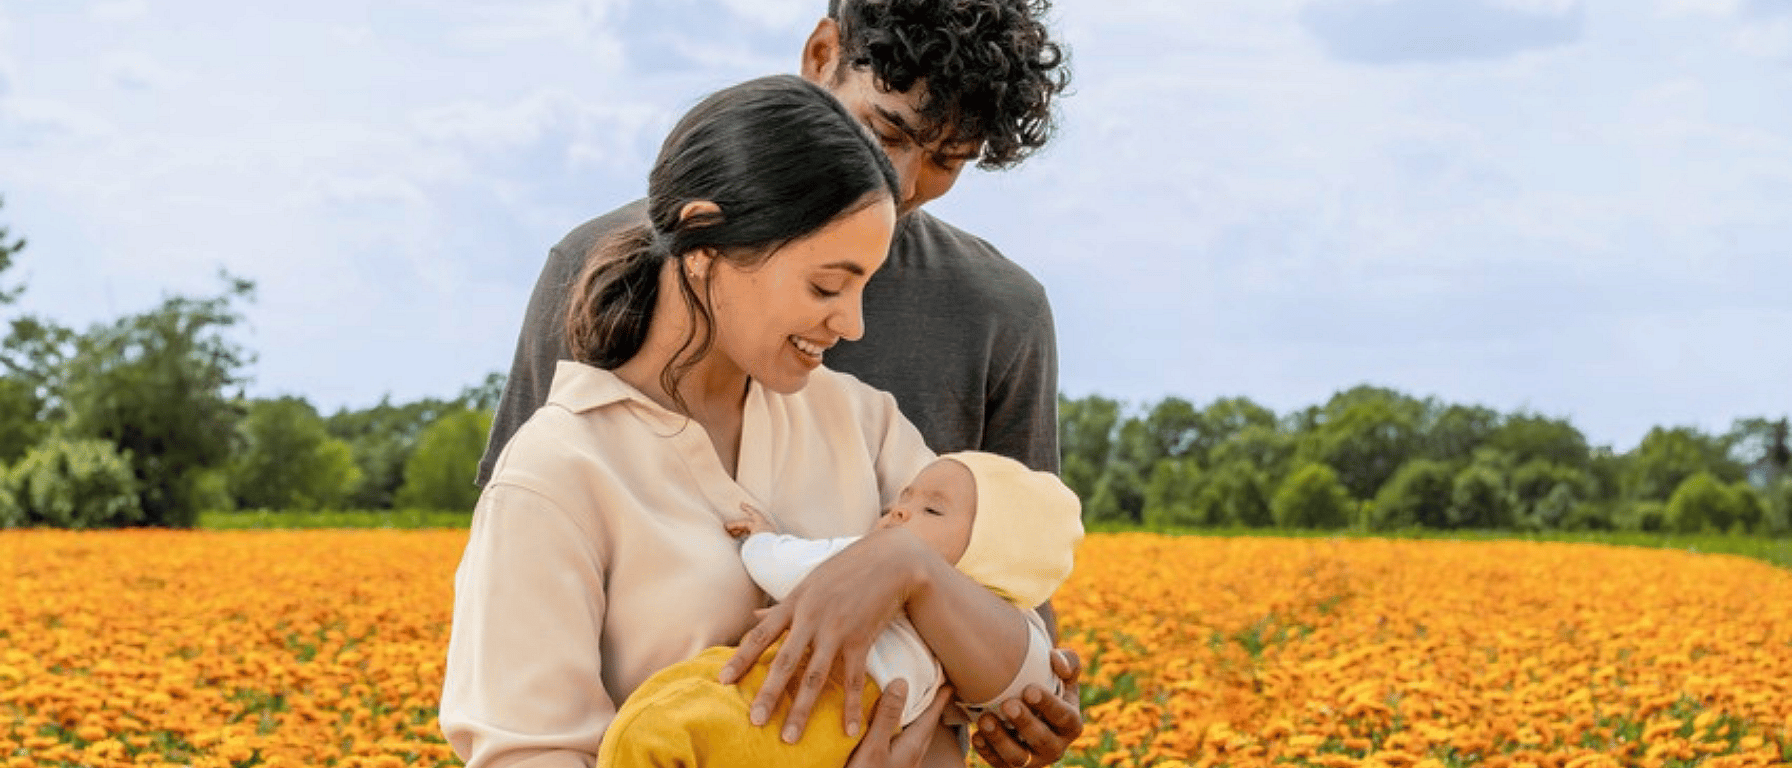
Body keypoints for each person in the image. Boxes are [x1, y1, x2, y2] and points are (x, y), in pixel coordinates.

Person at [478, 3, 1082, 763]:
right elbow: (518, 628)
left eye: (947, 158)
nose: (898, 182)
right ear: (823, 53)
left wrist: (914, 575)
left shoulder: (888, 403)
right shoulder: (579, 327)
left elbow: (1020, 602)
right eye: (887, 131)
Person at [596, 451, 1084, 768]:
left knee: (657, 731)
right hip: (826, 726)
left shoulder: (877, 569)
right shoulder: (879, 568)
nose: (899, 512)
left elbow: (788, 565)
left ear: (992, 555)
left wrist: (763, 540)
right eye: (901, 500)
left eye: (932, 511)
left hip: (806, 715)